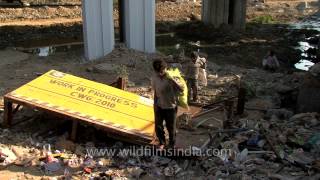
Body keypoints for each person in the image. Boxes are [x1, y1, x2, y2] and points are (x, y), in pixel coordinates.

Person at [151, 59, 184, 149]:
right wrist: (155, 105)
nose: (160, 73)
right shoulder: (155, 78)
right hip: (159, 105)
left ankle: (171, 144)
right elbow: (155, 92)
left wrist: (173, 81)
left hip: (171, 106)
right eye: (158, 72)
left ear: (165, 68)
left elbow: (182, 89)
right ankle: (162, 142)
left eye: (162, 71)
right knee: (158, 126)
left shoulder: (172, 77)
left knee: (171, 127)